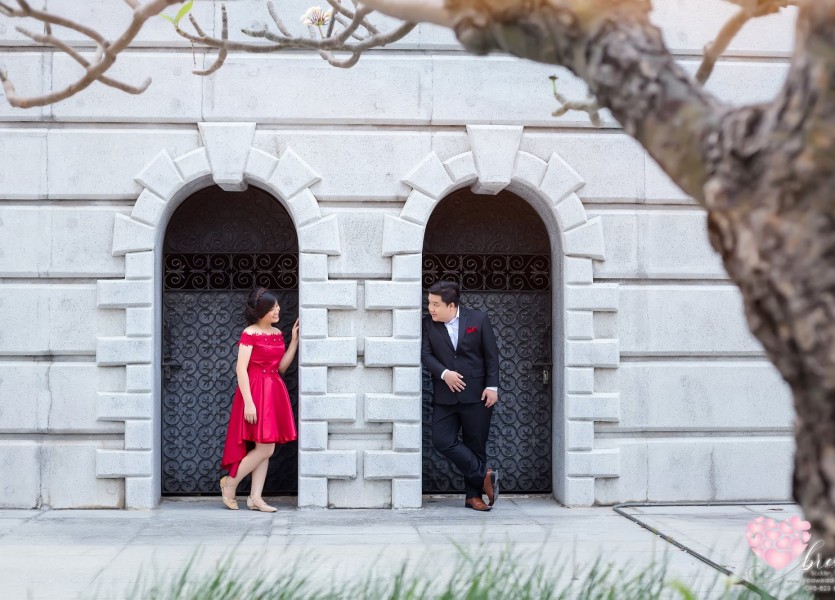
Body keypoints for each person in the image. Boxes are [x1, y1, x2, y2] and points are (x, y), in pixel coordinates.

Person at [421, 280, 500, 512]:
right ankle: (483, 474)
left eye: (435, 304)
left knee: (476, 445)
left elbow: (491, 356)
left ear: (451, 305)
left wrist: (492, 387)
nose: (430, 309)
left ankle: (473, 497)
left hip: (478, 394)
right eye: (429, 303)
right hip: (445, 396)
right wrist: (444, 373)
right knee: (442, 440)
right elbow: (426, 355)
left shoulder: (478, 319)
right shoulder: (428, 324)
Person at [219, 287, 299, 512]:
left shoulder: (277, 333)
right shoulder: (250, 333)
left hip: (273, 391)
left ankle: (255, 497)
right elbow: (241, 369)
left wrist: (294, 342)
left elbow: (281, 367)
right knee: (265, 448)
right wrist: (249, 402)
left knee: (265, 446)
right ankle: (230, 483)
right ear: (262, 311)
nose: (277, 310)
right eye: (272, 308)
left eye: (277, 306)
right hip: (254, 392)